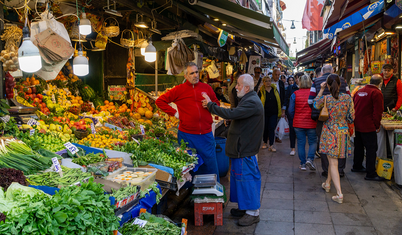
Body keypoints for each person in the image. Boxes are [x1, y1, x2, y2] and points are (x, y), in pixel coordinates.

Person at [201, 74, 263, 226]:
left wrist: (211, 106)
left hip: (245, 149)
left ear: (247, 88)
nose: (236, 87)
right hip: (241, 148)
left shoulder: (252, 102)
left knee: (246, 180)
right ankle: (245, 208)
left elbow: (232, 113)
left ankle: (253, 212)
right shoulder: (248, 99)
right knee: (239, 179)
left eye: (239, 85)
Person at [155, 62, 221, 180]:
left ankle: (213, 194)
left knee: (210, 166)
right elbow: (160, 101)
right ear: (185, 76)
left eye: (197, 72)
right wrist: (175, 113)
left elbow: (218, 104)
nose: (195, 75)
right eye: (192, 73)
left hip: (206, 135)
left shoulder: (207, 88)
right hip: (187, 136)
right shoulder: (179, 90)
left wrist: (210, 103)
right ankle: (192, 194)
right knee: (190, 168)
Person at [314, 74, 354, 204]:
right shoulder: (348, 98)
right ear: (340, 84)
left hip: (330, 132)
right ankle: (327, 183)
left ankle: (339, 193)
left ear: (328, 85)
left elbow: (315, 105)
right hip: (343, 132)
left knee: (333, 163)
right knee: (334, 161)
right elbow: (351, 117)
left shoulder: (326, 98)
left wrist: (320, 89)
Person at [308, 65, 350, 177]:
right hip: (341, 122)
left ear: (322, 72)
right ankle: (339, 170)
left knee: (325, 145)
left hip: (324, 120)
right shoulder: (343, 82)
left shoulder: (317, 82)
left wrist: (322, 91)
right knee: (341, 145)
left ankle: (327, 170)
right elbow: (349, 99)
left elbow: (311, 102)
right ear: (333, 71)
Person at [352, 74, 385, 181]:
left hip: (357, 124)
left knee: (359, 146)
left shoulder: (359, 91)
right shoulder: (376, 93)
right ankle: (370, 173)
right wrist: (377, 125)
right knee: (371, 149)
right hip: (368, 125)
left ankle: (357, 166)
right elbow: (378, 112)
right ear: (380, 83)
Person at [289, 75, 317, 171]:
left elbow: (290, 110)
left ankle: (303, 164)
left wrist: (294, 117)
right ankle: (310, 159)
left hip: (298, 122)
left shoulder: (295, 94)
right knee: (312, 141)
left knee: (301, 143)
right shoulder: (314, 94)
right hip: (311, 122)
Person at [258, 76, 282, 151]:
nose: (268, 82)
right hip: (264, 113)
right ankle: (265, 142)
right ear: (263, 82)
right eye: (266, 81)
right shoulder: (261, 91)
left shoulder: (274, 90)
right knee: (265, 128)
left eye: (269, 81)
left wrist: (280, 111)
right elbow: (258, 102)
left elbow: (278, 100)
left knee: (272, 128)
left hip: (273, 112)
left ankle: (271, 145)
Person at [285, 72, 303, 156]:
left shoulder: (306, 88)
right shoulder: (290, 88)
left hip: (302, 113)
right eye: (296, 78)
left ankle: (300, 149)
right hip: (292, 113)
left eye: (299, 78)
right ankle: (293, 148)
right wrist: (285, 112)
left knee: (301, 132)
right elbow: (286, 100)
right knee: (292, 130)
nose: (297, 80)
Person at [272, 68, 286, 143]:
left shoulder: (281, 83)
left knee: (277, 121)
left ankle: (277, 136)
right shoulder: (269, 82)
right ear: (273, 75)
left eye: (278, 75)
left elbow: (283, 95)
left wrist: (283, 107)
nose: (277, 76)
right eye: (276, 75)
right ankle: (270, 135)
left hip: (279, 105)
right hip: (271, 105)